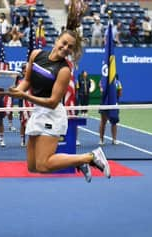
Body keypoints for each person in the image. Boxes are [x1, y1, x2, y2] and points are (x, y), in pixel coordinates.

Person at [7, 30, 111, 182]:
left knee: (43, 165)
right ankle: (80, 162)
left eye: (70, 47)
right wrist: (14, 91)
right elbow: (27, 80)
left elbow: (53, 102)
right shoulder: (36, 54)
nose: (65, 47)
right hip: (38, 111)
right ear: (57, 40)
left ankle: (90, 156)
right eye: (64, 43)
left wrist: (24, 96)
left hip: (52, 114)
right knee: (33, 166)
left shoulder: (64, 70)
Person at [99, 75, 123, 145]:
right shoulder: (103, 81)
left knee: (113, 122)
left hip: (113, 104)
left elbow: (120, 93)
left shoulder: (117, 83)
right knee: (104, 122)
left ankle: (109, 140)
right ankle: (103, 139)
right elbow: (102, 91)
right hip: (105, 104)